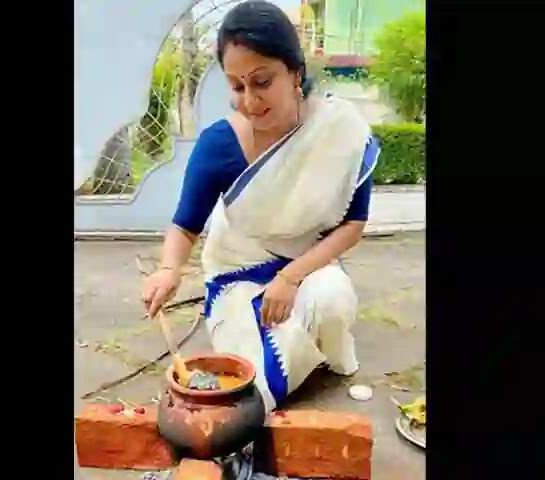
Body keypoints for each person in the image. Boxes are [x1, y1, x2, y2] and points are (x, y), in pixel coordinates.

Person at [142, 0, 380, 413]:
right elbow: (185, 226)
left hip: (307, 266)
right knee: (246, 385)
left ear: (295, 73)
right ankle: (289, 355)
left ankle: (314, 345)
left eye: (262, 81)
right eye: (237, 87)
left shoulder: (340, 132)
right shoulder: (220, 144)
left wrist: (290, 277)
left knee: (331, 300)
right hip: (237, 274)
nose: (250, 101)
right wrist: (169, 269)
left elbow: (353, 224)